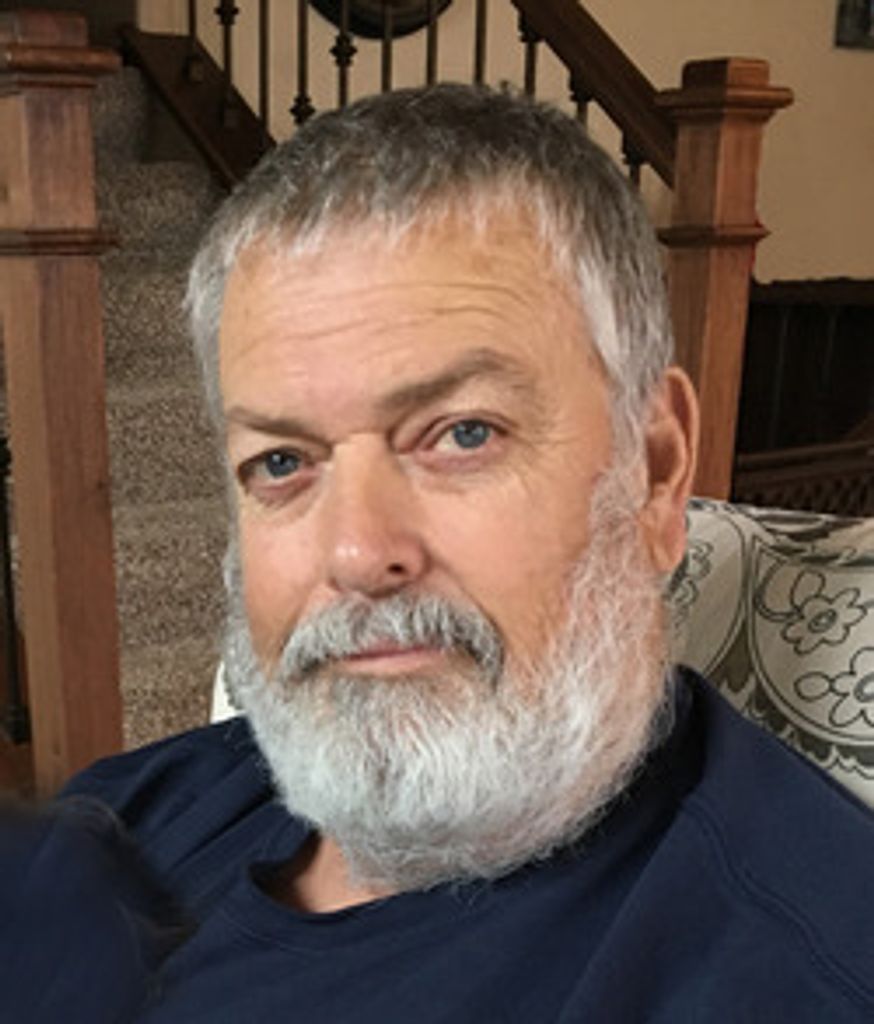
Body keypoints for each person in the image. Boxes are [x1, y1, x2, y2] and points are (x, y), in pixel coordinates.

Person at [52, 84, 874, 1020]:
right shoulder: (120, 822)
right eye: (282, 461)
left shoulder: (802, 976)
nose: (358, 553)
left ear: (654, 469)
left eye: (463, 434)